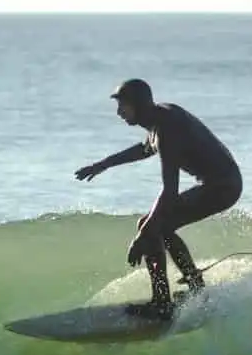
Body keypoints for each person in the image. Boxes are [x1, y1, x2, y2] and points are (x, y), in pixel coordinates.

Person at [74, 79, 243, 320]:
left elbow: (170, 190)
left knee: (152, 226)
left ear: (139, 104)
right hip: (220, 183)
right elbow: (145, 149)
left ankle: (163, 302)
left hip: (222, 186)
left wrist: (142, 236)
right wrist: (103, 164)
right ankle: (195, 288)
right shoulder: (158, 121)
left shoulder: (167, 127)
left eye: (124, 105)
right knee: (157, 226)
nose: (119, 112)